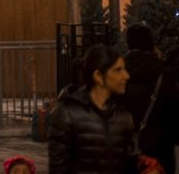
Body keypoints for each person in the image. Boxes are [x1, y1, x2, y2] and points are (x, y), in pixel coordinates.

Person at [47, 44, 139, 174]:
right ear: (98, 76)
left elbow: (131, 163)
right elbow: (58, 167)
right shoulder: (67, 112)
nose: (126, 76)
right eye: (118, 70)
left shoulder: (123, 114)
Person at [122, 23, 178, 174]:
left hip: (126, 155)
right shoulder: (165, 77)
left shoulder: (118, 76)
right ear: (151, 43)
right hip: (160, 156)